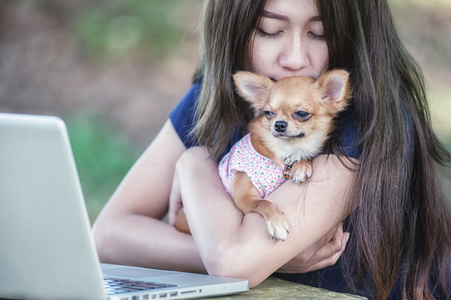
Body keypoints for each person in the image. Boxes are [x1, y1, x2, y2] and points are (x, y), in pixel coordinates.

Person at [92, 0, 451, 299]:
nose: (295, 58)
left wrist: (192, 166)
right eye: (269, 29)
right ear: (231, 26)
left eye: (319, 33)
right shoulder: (212, 100)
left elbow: (234, 262)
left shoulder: (367, 123)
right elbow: (106, 236)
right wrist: (262, 256)